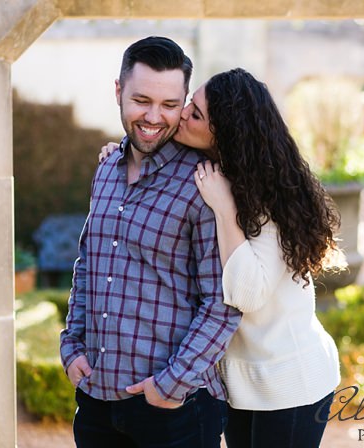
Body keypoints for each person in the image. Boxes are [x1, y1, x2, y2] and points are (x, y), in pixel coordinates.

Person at [102, 67, 344, 447]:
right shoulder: (214, 170)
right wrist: (118, 153)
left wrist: (225, 210)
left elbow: (247, 294)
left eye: (194, 114)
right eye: (189, 104)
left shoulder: (266, 197)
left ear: (225, 134)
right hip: (239, 383)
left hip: (289, 382)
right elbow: (146, 139)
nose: (181, 114)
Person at [60, 36, 242, 448]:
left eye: (170, 105)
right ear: (119, 91)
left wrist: (171, 385)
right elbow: (89, 264)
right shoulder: (106, 169)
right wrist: (71, 345)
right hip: (96, 402)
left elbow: (225, 301)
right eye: (142, 100)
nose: (154, 117)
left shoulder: (206, 183)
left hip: (175, 411)